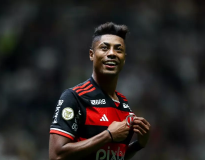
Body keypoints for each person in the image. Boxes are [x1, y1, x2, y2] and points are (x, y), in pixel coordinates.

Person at [49, 22, 151, 160]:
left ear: (124, 59)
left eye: (118, 50)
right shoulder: (75, 97)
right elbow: (56, 155)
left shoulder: (124, 105)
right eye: (104, 48)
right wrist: (108, 135)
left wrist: (139, 144)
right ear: (92, 54)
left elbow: (115, 155)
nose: (112, 54)